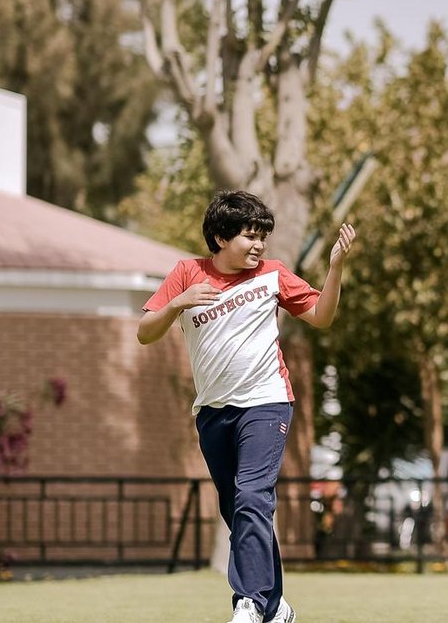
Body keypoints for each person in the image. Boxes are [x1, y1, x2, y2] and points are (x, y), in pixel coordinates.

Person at [138, 191, 356, 623]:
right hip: (212, 412)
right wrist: (178, 302)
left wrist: (335, 269)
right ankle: (277, 607)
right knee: (237, 509)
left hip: (267, 402)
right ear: (220, 237)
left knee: (253, 498)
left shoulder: (273, 275)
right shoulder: (186, 273)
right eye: (249, 236)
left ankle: (249, 602)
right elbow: (145, 332)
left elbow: (321, 317)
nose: (258, 245)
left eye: (263, 237)